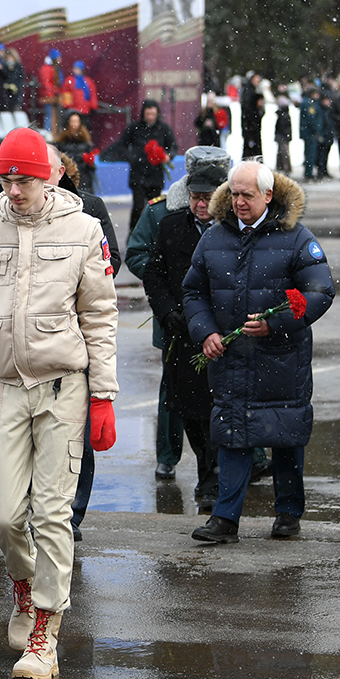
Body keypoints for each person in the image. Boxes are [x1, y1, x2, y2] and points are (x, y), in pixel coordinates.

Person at [0, 127, 118, 679]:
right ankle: (23, 586)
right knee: (5, 515)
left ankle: (45, 632)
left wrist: (105, 395)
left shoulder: (85, 229)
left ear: (50, 176)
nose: (15, 189)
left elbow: (100, 316)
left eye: (26, 178)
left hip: (64, 387)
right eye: (8, 178)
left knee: (52, 513)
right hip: (2, 389)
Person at [183, 161, 334, 544]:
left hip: (281, 359)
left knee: (284, 435)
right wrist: (206, 332)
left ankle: (287, 514)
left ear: (268, 195)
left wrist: (277, 323)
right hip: (231, 359)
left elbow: (320, 291)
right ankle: (225, 518)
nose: (238, 202)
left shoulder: (297, 238)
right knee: (233, 434)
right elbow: (194, 292)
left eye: (247, 194)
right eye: (233, 193)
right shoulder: (213, 238)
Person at [125, 146, 231, 484]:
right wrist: (171, 297)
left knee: (230, 390)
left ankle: (234, 463)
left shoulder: (232, 219)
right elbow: (142, 258)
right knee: (175, 394)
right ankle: (168, 456)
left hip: (222, 327)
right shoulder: (164, 214)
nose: (202, 203)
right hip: (176, 323)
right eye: (196, 194)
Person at [112, 99, 177, 231]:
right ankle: (134, 232)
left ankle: (155, 234)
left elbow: (173, 146)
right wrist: (132, 158)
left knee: (156, 207)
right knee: (138, 206)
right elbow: (121, 145)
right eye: (148, 114)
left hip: (156, 174)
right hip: (138, 173)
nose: (150, 117)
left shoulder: (163, 128)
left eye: (153, 114)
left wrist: (167, 156)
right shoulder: (134, 127)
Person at [240, 72, 263, 160]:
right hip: (250, 125)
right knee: (250, 147)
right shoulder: (249, 91)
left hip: (252, 125)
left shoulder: (252, 90)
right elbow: (248, 109)